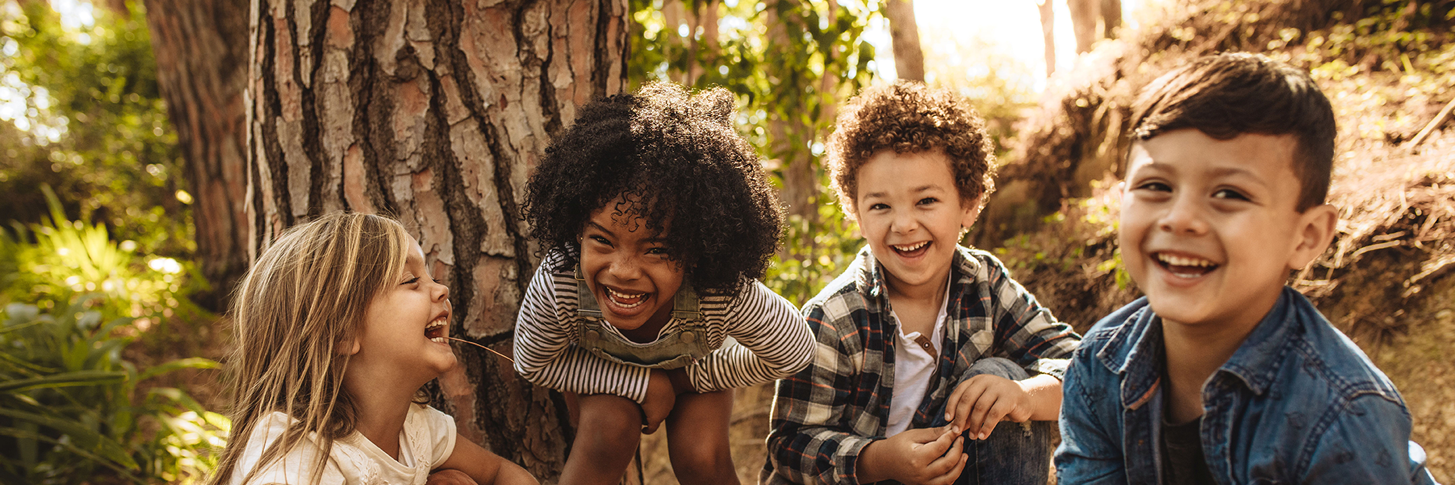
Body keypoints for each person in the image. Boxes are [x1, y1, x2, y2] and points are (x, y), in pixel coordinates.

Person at [1054, 52, 1440, 484]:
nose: (1180, 218)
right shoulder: (1099, 364)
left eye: (1230, 194)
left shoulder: (1341, 412)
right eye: (1156, 186)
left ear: (1306, 236)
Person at [761, 81, 1082, 485]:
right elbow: (790, 445)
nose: (904, 223)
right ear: (857, 216)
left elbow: (1085, 369)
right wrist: (877, 461)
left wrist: (1024, 395)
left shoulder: (983, 284)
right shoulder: (834, 317)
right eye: (880, 206)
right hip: (866, 476)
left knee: (1001, 375)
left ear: (968, 203)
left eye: (925, 201)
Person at [512, 82, 814, 485]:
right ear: (577, 230)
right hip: (603, 376)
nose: (622, 270)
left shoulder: (719, 292)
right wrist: (642, 382)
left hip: (696, 370)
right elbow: (533, 361)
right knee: (608, 428)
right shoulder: (561, 280)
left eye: (654, 249)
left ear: (696, 253)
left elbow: (794, 351)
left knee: (699, 456)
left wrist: (684, 378)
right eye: (602, 240)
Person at [208, 213, 538, 485]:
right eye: (411, 280)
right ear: (342, 331)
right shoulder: (293, 459)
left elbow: (500, 473)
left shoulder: (415, 428)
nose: (441, 289)